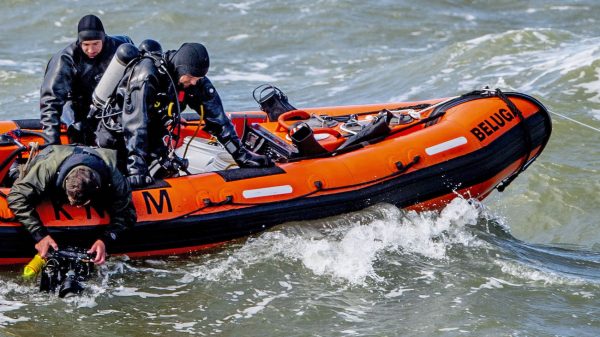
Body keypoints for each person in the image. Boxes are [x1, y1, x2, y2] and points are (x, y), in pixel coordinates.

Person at [94, 42, 272, 188]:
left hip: (152, 137)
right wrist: (136, 169)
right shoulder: (147, 76)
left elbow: (219, 121)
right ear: (181, 68)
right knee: (119, 183)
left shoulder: (194, 81)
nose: (194, 82)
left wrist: (242, 157)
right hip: (117, 138)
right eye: (191, 77)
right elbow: (135, 125)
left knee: (166, 170)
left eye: (198, 78)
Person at [7, 145, 137, 265]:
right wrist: (40, 235)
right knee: (17, 178)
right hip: (55, 156)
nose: (77, 208)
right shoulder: (47, 169)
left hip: (92, 158)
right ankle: (14, 168)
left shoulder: (114, 178)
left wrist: (105, 240)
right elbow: (16, 197)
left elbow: (127, 213)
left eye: (82, 204)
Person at [40, 14, 133, 145]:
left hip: (109, 102)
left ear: (104, 39)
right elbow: (50, 101)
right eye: (86, 44)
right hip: (76, 104)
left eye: (95, 44)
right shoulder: (66, 59)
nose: (91, 49)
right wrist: (51, 143)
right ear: (79, 42)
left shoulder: (121, 47)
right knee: (78, 128)